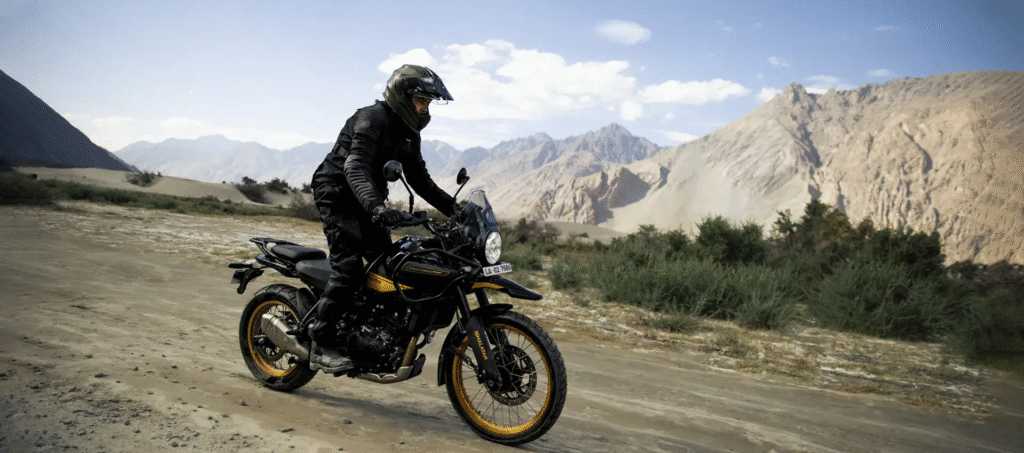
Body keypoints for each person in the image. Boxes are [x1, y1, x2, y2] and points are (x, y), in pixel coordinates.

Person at [306, 64, 458, 373]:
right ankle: (318, 342)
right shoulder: (370, 119)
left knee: (387, 270)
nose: (424, 109)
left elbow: (421, 180)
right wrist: (377, 208)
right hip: (337, 194)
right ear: (402, 96)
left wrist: (458, 210)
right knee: (348, 269)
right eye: (420, 101)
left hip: (367, 200)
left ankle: (365, 333)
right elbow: (355, 166)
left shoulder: (408, 133)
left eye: (428, 103)